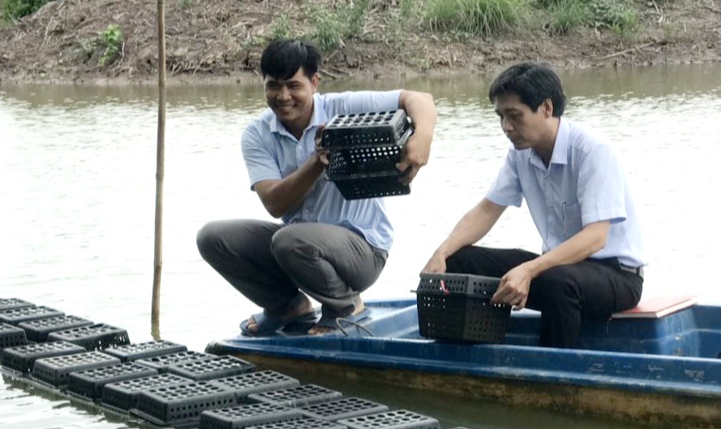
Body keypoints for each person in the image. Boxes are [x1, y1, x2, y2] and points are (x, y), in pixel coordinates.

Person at [197, 38, 436, 336]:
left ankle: (345, 305)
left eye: (293, 86)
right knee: (212, 238)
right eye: (273, 86)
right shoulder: (257, 135)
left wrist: (421, 139)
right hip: (297, 247)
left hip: (363, 249)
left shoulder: (342, 107)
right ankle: (287, 306)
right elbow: (275, 204)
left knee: (290, 240)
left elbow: (419, 99)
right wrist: (315, 163)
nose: (283, 96)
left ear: (314, 83)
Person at [422, 62, 645, 348]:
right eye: (501, 117)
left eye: (515, 116)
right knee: (460, 261)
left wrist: (530, 270)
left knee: (557, 281)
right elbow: (487, 210)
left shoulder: (592, 152)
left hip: (617, 276)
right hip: (556, 268)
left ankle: (552, 373)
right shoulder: (520, 155)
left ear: (547, 109)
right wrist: (442, 251)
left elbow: (595, 238)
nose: (507, 127)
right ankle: (467, 358)